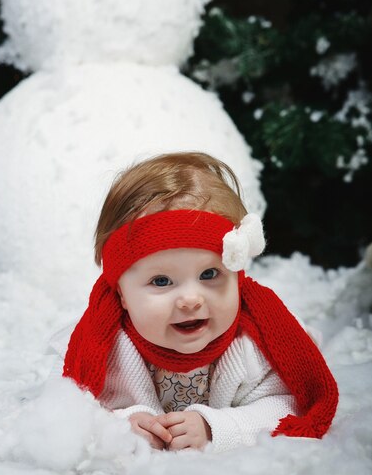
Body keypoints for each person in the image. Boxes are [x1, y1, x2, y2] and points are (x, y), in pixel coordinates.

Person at [49, 152, 338, 453]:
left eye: (210, 274)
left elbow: (289, 404)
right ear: (120, 293)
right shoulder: (98, 348)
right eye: (161, 281)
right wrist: (120, 425)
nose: (190, 299)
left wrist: (217, 428)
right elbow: (64, 408)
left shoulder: (258, 343)